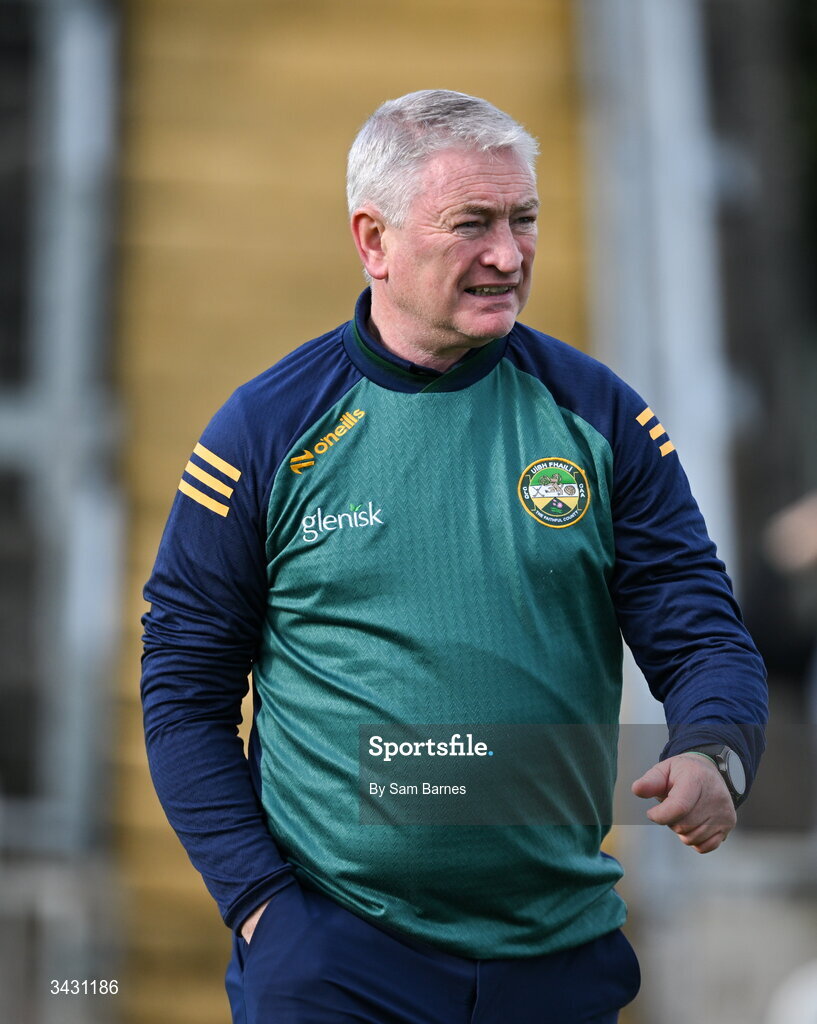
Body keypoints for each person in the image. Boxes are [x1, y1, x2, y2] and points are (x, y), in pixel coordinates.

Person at [141, 90, 768, 1024]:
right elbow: (183, 689)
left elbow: (701, 629)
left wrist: (715, 749)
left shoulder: (601, 416)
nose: (508, 256)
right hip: (337, 960)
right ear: (374, 240)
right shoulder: (262, 431)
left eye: (524, 220)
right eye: (472, 223)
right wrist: (262, 905)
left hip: (557, 957)